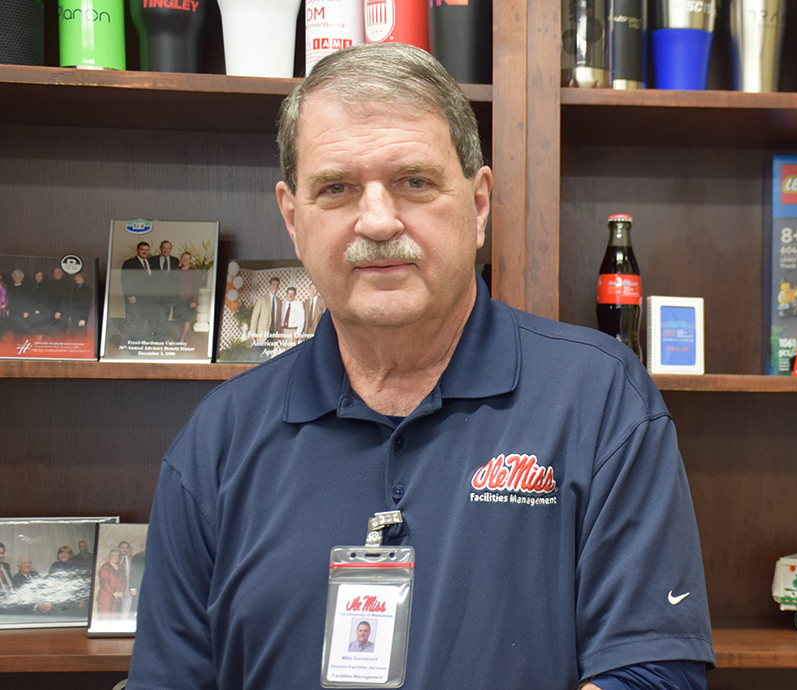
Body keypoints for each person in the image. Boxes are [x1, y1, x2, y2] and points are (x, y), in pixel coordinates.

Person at [129, 43, 713, 690]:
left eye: (414, 181)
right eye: (337, 188)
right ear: (294, 220)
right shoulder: (216, 442)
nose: (377, 220)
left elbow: (654, 671)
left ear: (479, 203)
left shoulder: (600, 397)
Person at [120, 242, 161, 344]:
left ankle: (143, 342)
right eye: (142, 249)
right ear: (137, 250)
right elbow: (124, 280)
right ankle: (133, 345)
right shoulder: (129, 263)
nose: (145, 252)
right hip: (135, 298)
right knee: (135, 321)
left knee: (147, 320)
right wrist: (129, 295)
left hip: (148, 299)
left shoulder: (152, 263)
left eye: (147, 250)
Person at [248, 277, 282, 346]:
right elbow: (255, 316)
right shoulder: (262, 299)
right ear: (269, 286)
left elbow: (278, 319)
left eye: (277, 285)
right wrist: (253, 331)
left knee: (268, 355)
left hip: (272, 335)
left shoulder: (279, 301)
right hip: (261, 334)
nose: (275, 287)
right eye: (273, 284)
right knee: (255, 355)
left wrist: (277, 333)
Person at [175, 252, 200, 341]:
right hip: (178, 299)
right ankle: (179, 336)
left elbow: (197, 287)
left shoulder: (194, 271)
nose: (185, 260)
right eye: (183, 258)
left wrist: (194, 300)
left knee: (186, 319)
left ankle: (182, 338)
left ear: (190, 260)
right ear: (181, 259)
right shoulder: (176, 270)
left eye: (187, 259)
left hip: (189, 299)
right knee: (179, 318)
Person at [96, 550, 125, 619]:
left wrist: (121, 591)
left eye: (118, 555)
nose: (116, 557)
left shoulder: (121, 567)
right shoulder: (104, 567)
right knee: (105, 619)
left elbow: (124, 580)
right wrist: (114, 592)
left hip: (117, 597)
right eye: (114, 555)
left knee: (115, 619)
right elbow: (104, 582)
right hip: (106, 597)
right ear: (110, 557)